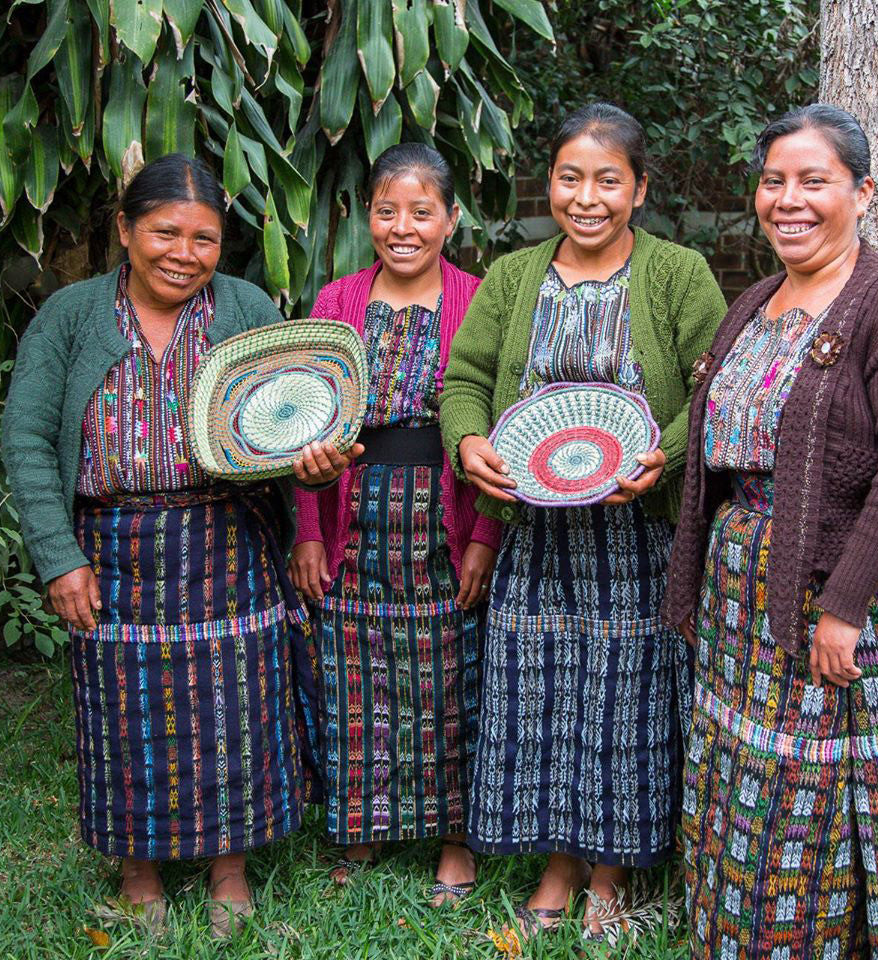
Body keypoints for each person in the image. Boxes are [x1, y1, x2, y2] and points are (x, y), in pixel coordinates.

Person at [0, 154, 353, 937]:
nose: (183, 253)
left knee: (238, 707)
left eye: (204, 238)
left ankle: (231, 869)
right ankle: (140, 871)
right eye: (164, 232)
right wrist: (59, 556)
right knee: (126, 715)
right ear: (124, 230)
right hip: (112, 546)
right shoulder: (71, 315)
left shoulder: (246, 306)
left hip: (228, 539)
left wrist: (309, 498)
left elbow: (295, 421)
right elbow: (25, 435)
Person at [663, 104, 878, 959]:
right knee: (738, 769)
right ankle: (728, 938)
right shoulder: (757, 300)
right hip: (741, 587)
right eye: (773, 181)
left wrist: (844, 603)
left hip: (828, 591)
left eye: (814, 181)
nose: (788, 200)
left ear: (863, 194)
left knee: (808, 789)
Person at [439, 102, 727, 941]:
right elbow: (464, 378)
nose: (587, 196)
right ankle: (557, 860)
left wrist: (661, 458)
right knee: (542, 696)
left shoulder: (679, 274)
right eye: (571, 178)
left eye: (609, 180)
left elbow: (714, 388)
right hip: (536, 538)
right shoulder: (514, 277)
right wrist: (469, 442)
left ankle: (611, 872)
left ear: (639, 190)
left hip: (636, 535)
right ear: (550, 184)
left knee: (625, 702)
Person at [288, 143, 501, 906]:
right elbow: (301, 424)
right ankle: (363, 825)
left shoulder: (480, 299)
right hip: (354, 515)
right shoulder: (337, 300)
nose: (402, 227)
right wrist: (309, 527)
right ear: (365, 217)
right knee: (357, 678)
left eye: (421, 211)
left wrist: (483, 537)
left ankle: (454, 838)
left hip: (444, 522)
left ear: (451, 218)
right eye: (387, 211)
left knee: (451, 680)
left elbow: (497, 427)